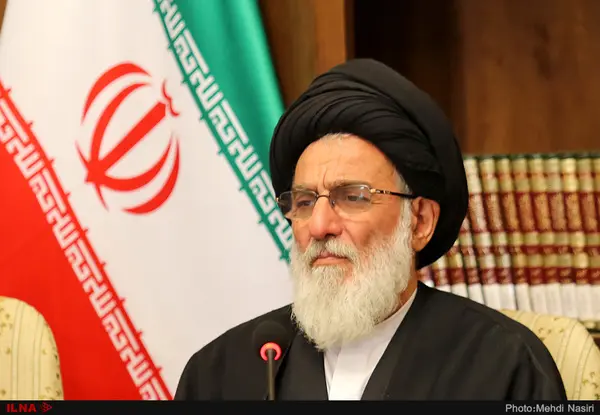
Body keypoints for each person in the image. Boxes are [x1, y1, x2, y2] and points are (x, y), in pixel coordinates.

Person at [174, 58, 567, 400]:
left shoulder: (503, 366)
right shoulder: (221, 374)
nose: (319, 226)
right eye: (305, 202)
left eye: (352, 197)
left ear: (420, 222)